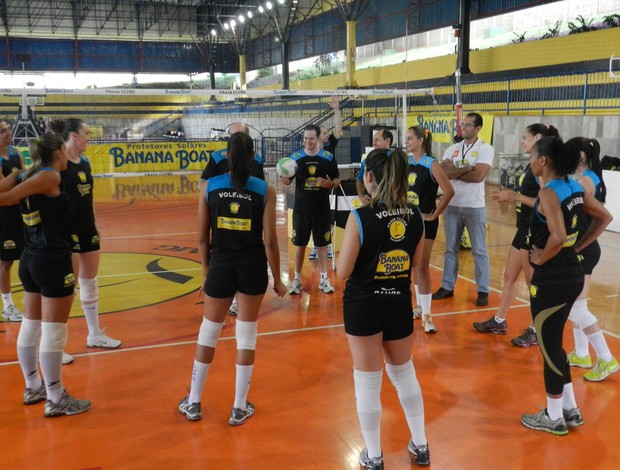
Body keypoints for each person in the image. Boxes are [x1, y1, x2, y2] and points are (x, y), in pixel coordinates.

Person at [178, 132, 286, 423]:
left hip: (221, 267)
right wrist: (277, 279)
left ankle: (194, 402)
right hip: (252, 268)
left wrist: (206, 272)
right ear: (253, 157)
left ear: (226, 155)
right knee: (246, 336)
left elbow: (202, 238)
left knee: (208, 332)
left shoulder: (210, 187)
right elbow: (270, 242)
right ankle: (239, 407)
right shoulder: (265, 190)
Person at [337, 148, 430, 469]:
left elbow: (342, 271)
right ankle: (420, 444)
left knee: (367, 380)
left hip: (364, 304)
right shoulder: (415, 215)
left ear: (369, 177)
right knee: (404, 375)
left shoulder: (360, 216)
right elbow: (417, 265)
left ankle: (374, 456)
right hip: (398, 302)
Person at [521, 136, 612, 435]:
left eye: (532, 156)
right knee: (556, 348)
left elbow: (557, 237)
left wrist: (542, 258)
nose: (530, 162)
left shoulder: (548, 192)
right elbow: (605, 217)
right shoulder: (574, 186)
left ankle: (554, 416)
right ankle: (570, 410)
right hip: (572, 273)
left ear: (543, 160)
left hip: (553, 279)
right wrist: (578, 248)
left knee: (549, 350)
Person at [0, 133, 91, 417]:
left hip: (32, 257)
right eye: (65, 151)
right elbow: (7, 198)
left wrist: (15, 175)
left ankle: (34, 387)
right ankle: (55, 397)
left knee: (32, 324)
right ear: (59, 153)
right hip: (51, 259)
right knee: (53, 330)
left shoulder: (26, 174)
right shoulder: (48, 177)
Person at [473, 124, 559, 346]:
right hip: (523, 229)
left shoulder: (542, 169)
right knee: (509, 276)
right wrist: (511, 196)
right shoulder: (530, 166)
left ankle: (536, 328)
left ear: (538, 138)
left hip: (535, 231)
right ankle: (499, 320)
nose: (522, 142)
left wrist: (516, 197)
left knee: (533, 283)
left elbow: (545, 201)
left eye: (525, 137)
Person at [49, 119, 121, 365]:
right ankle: (54, 347)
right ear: (73, 136)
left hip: (86, 228)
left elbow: (86, 200)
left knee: (90, 283)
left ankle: (94, 335)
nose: (89, 137)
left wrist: (95, 225)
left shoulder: (86, 163)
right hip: (65, 234)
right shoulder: (59, 164)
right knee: (65, 291)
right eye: (86, 133)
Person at [564, 137, 620, 381]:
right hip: (583, 248)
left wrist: (578, 247)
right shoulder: (587, 178)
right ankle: (581, 353)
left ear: (582, 156)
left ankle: (607, 359)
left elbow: (602, 218)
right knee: (579, 305)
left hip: (584, 250)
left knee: (576, 308)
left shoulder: (586, 181)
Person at [199, 122, 265, 316]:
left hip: (234, 254)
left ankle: (237, 298)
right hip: (238, 256)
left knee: (210, 331)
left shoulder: (257, 167)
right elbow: (202, 182)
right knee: (244, 332)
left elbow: (202, 239)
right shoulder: (216, 160)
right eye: (232, 136)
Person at [433, 112, 494, 307]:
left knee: (479, 250)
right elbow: (442, 173)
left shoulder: (485, 149)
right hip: (452, 204)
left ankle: (483, 290)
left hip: (474, 206)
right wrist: (468, 168)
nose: (464, 128)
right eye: (463, 124)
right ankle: (447, 286)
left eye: (468, 125)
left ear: (477, 129)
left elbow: (479, 177)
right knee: (450, 249)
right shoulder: (452, 148)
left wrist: (454, 172)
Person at [405, 126, 454, 333]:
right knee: (412, 266)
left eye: (409, 138)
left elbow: (449, 191)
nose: (406, 142)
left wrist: (435, 214)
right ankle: (417, 307)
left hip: (425, 222)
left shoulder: (431, 164)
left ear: (420, 141)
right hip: (408, 220)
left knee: (422, 267)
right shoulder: (406, 163)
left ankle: (427, 314)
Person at [282, 124, 340, 295]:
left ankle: (324, 279)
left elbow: (337, 180)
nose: (308, 141)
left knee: (322, 247)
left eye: (311, 138)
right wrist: (285, 181)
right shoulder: (295, 158)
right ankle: (297, 280)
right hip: (301, 210)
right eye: (305, 138)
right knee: (299, 246)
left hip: (321, 210)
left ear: (318, 139)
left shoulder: (327, 157)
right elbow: (287, 180)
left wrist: (329, 184)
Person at [308, 96, 343, 261]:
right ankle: (315, 246)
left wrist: (336, 109)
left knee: (328, 217)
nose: (328, 134)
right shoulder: (310, 150)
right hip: (313, 188)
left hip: (329, 187)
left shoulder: (330, 146)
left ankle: (326, 245)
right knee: (313, 218)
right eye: (324, 132)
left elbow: (338, 128)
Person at [0, 120, 25, 322]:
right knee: (5, 262)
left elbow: (25, 176)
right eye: (2, 131)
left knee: (29, 255)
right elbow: (2, 189)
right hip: (4, 215)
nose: (8, 133)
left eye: (8, 129)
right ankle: (7, 306)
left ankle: (31, 297)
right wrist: (18, 174)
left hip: (21, 211)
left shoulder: (15, 152)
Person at [355, 128, 393, 201]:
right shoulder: (367, 161)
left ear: (387, 141)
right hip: (376, 205)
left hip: (395, 204)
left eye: (376, 140)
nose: (373, 143)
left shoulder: (396, 159)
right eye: (373, 140)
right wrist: (361, 196)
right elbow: (359, 180)